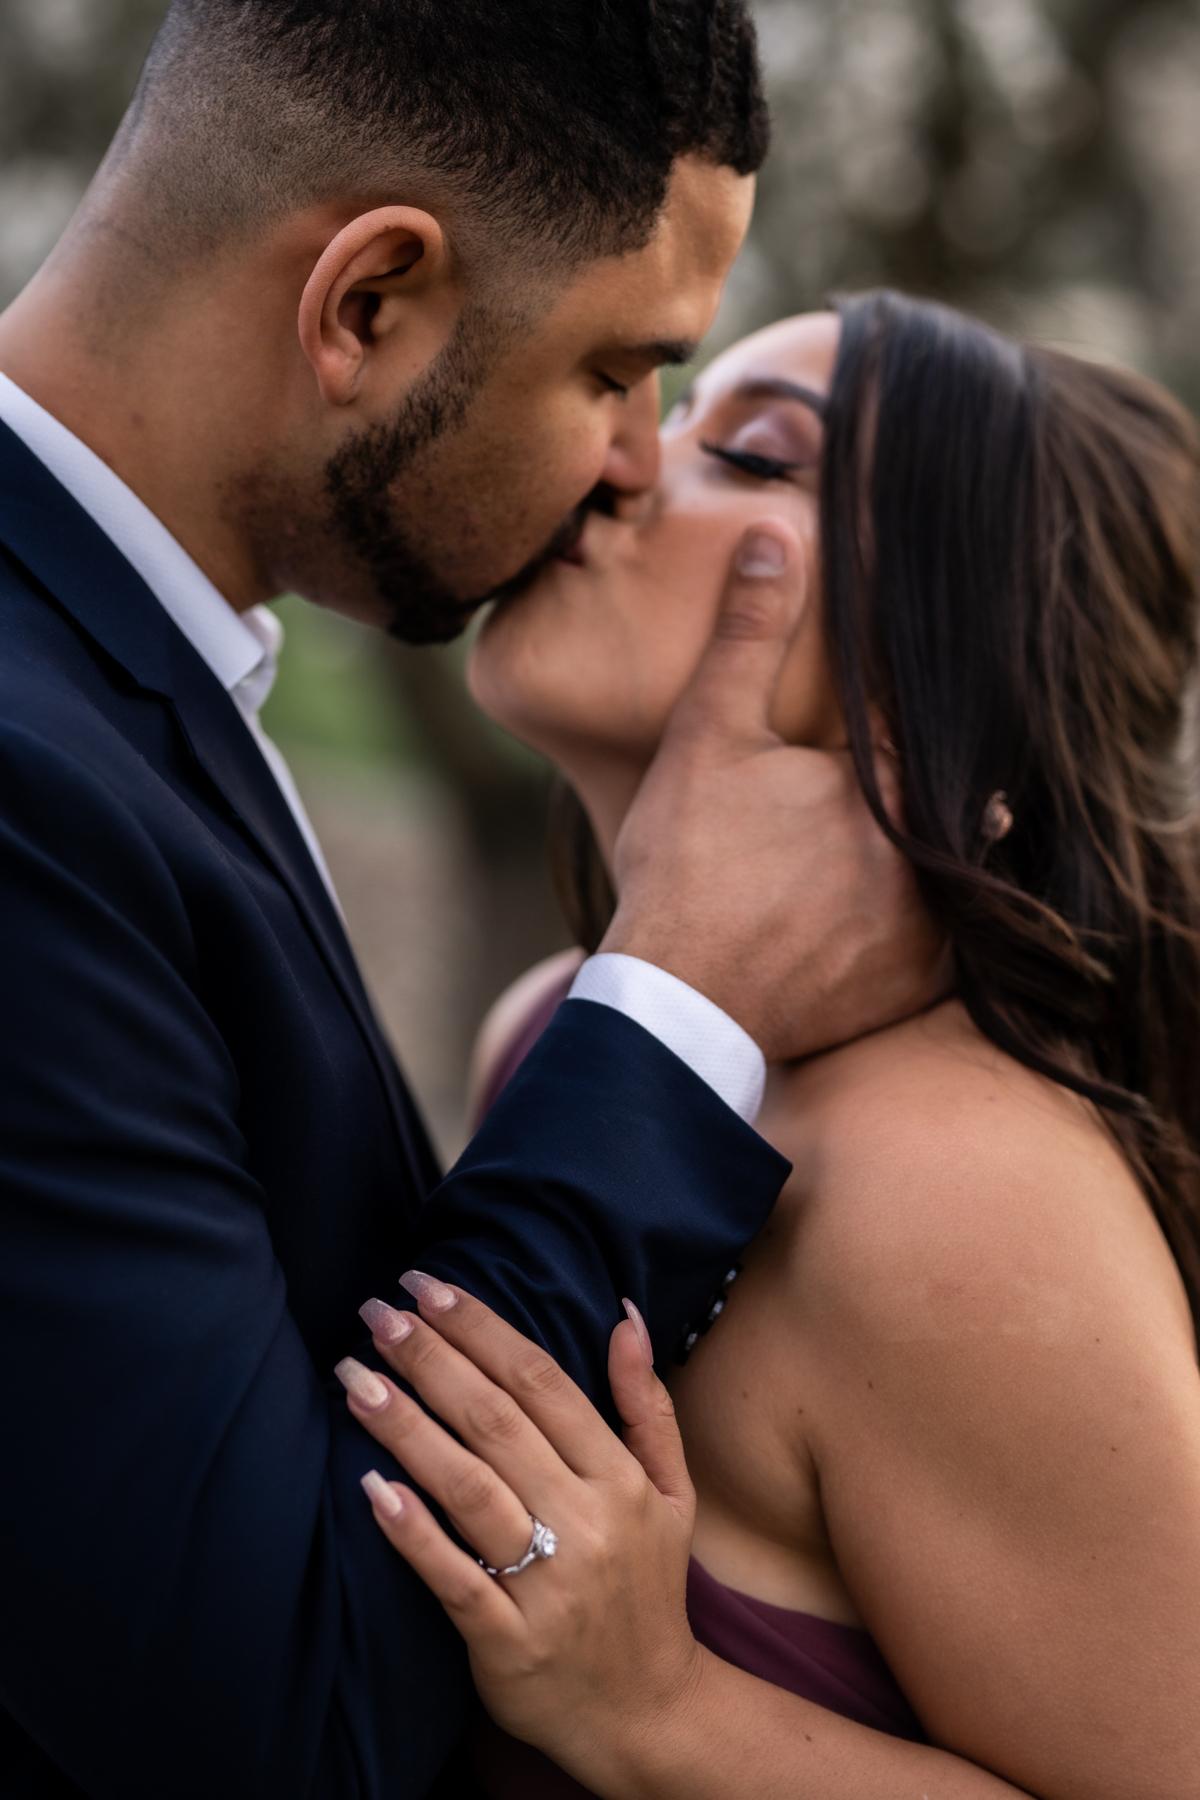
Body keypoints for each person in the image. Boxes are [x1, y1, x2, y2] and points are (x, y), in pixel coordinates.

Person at [0, 8, 948, 1798]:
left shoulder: (122, 675)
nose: (636, 461)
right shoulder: (26, 780)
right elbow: (284, 1721)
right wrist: (681, 997)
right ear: (369, 305)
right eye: (616, 370)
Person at [343, 296, 1200, 1800]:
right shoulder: (562, 1029)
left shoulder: (955, 1195)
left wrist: (661, 1714)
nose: (614, 465)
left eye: (748, 454)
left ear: (950, 669)